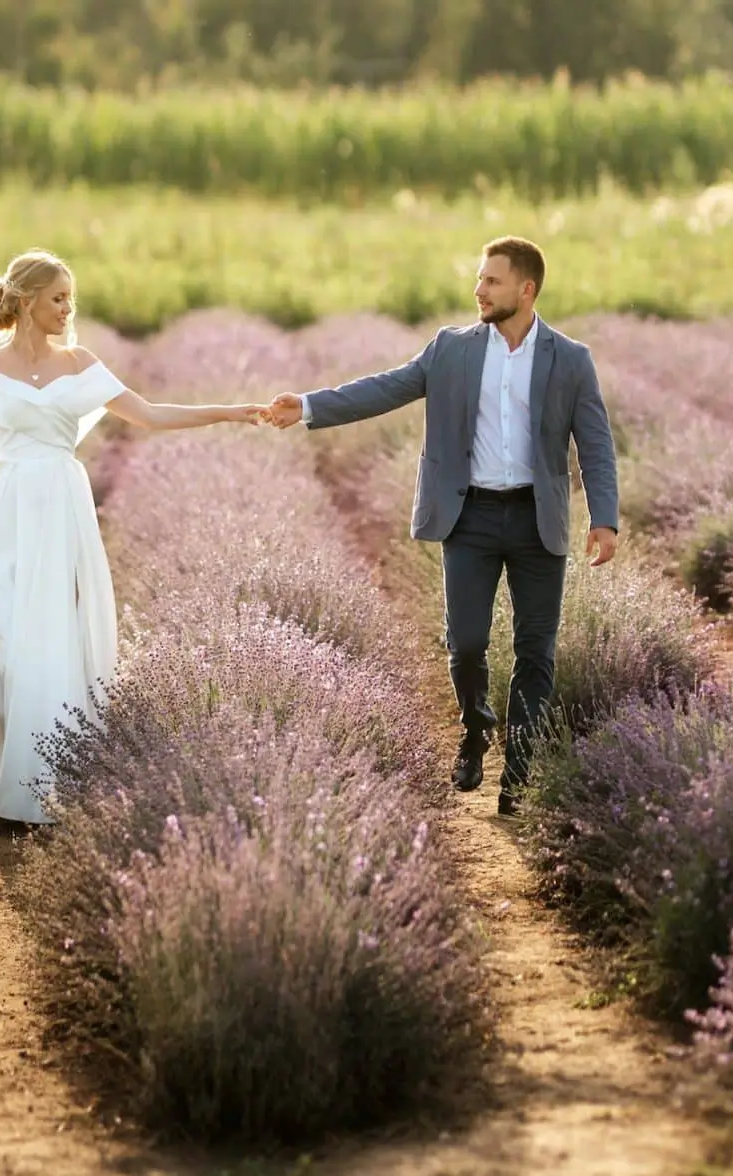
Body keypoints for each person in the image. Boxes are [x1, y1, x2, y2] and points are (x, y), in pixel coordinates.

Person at [265, 236, 619, 815]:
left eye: (492, 281)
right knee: (467, 643)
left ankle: (520, 776)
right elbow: (384, 388)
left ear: (526, 289)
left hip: (539, 521)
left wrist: (604, 519)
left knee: (536, 651)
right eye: (479, 279)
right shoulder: (450, 349)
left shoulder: (571, 359)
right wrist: (306, 406)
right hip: (469, 517)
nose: (478, 290)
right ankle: (476, 726)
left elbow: (596, 444)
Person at [0, 249, 267, 824]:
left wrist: (226, 411)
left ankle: (40, 787)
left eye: (71, 298)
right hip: (2, 509)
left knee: (47, 639)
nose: (68, 309)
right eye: (57, 298)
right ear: (26, 302)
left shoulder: (81, 363)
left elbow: (146, 414)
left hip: (60, 507)